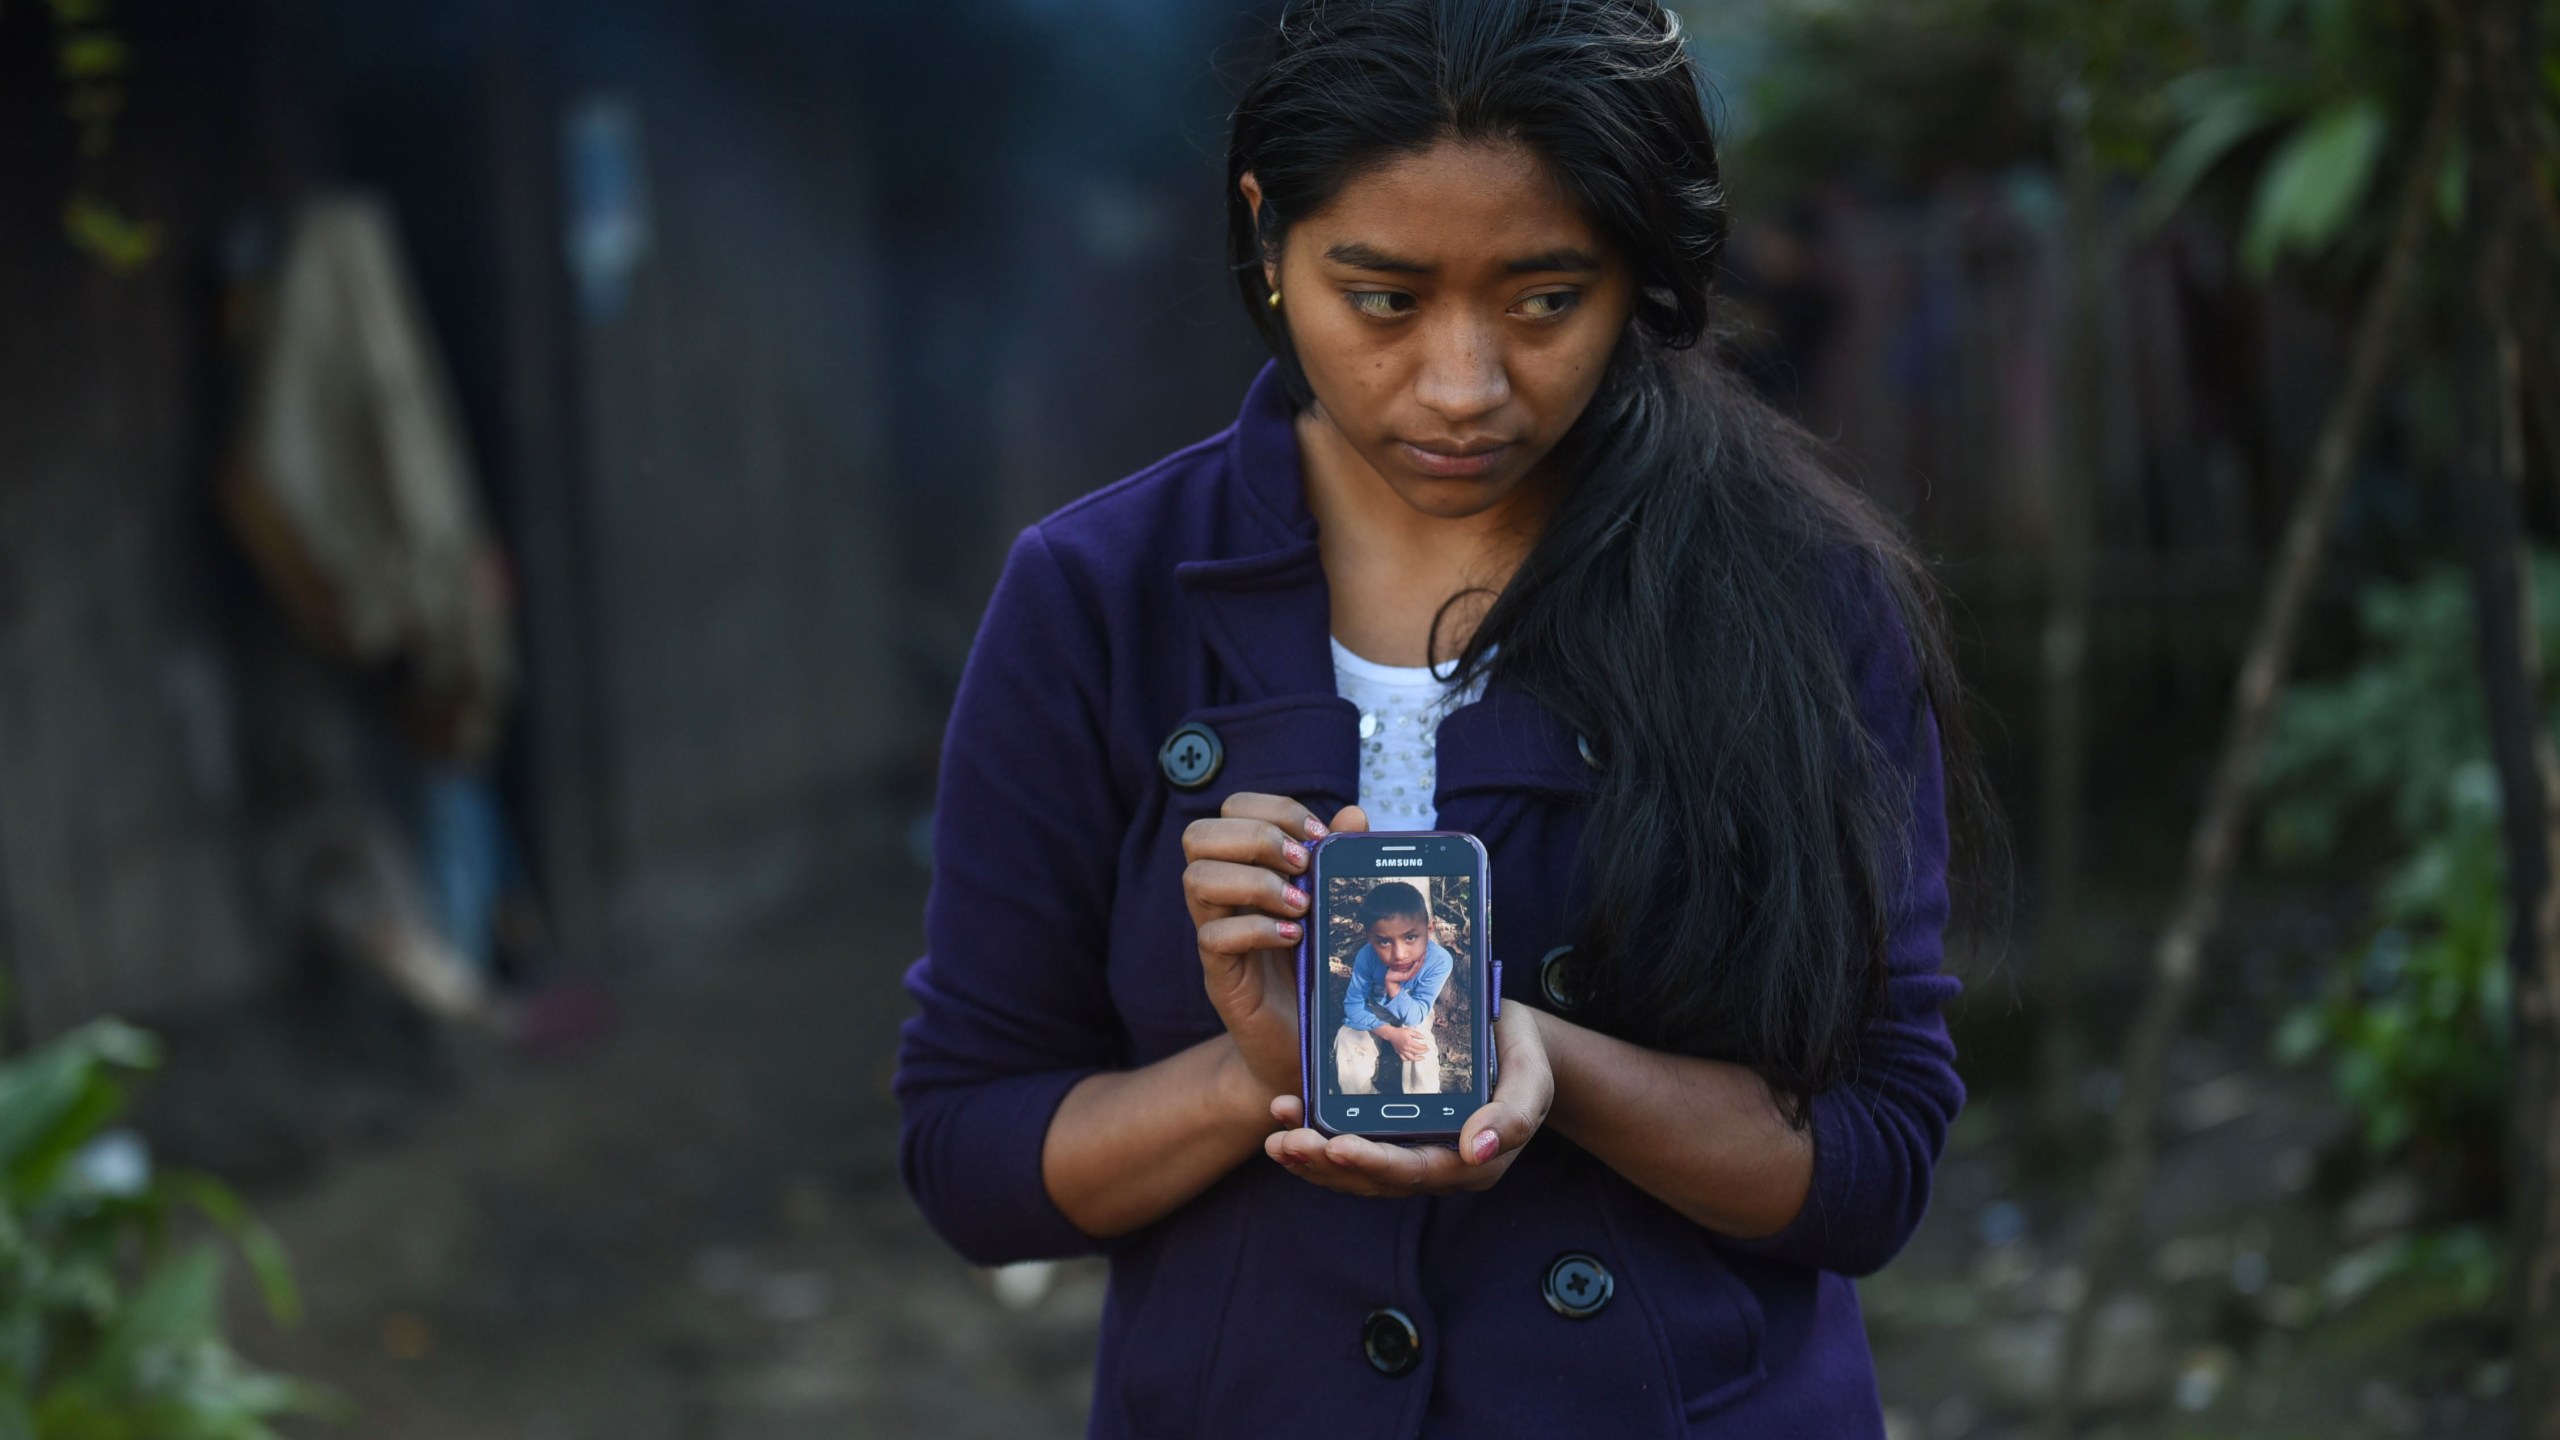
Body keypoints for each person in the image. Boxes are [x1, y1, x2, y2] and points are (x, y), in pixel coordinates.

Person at [896, 3, 1998, 1434]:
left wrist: (1549, 1066)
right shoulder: (1098, 600)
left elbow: (1876, 1158)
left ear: (1639, 272)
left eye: (1547, 299)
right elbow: (969, 1154)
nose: (1463, 387)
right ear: (1267, 238)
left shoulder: (1799, 596)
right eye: (1384, 298)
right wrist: (1260, 1080)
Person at [1332, 881, 1452, 1095]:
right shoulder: (1366, 957)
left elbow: (1416, 1015)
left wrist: (1393, 986)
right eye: (1384, 942)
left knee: (1419, 1047)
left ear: (1430, 929)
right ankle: (1362, 1106)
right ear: (1370, 939)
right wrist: (1391, 1034)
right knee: (1347, 1039)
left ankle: (1424, 1107)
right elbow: (1353, 1007)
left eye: (1410, 937)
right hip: (1375, 1011)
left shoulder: (1439, 961)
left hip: (1416, 1010)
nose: (1399, 954)